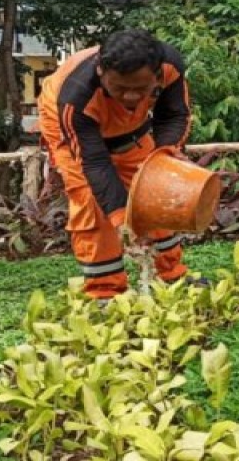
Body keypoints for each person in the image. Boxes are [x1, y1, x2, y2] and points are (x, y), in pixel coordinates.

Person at [37, 29, 195, 300]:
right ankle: (105, 292)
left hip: (131, 129)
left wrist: (166, 153)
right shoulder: (75, 97)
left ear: (157, 76)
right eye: (121, 88)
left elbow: (174, 114)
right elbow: (96, 163)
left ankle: (171, 275)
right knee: (93, 204)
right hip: (70, 130)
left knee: (154, 189)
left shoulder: (170, 66)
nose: (132, 97)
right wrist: (122, 219)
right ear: (101, 72)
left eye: (141, 89)